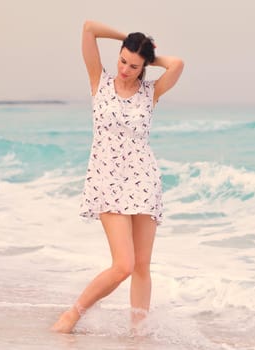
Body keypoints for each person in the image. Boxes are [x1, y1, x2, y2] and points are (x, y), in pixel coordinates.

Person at [51, 20, 184, 333]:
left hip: (144, 183)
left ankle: (138, 332)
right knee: (123, 264)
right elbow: (88, 29)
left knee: (141, 266)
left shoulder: (150, 92)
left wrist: (147, 52)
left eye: (134, 65)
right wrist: (129, 39)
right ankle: (71, 315)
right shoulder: (100, 82)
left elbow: (178, 64)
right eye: (122, 60)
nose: (125, 69)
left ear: (144, 68)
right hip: (107, 182)